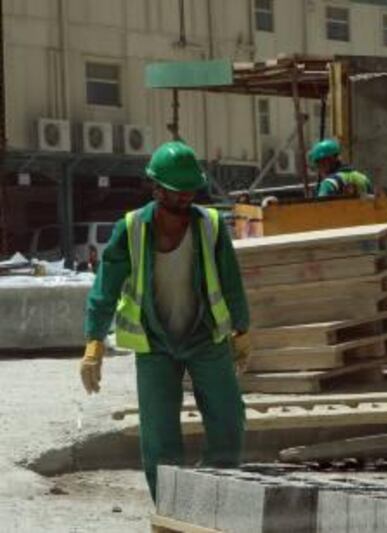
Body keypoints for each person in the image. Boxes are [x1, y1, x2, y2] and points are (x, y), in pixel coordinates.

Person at [80, 140, 251, 501]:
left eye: (190, 191)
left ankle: (217, 498)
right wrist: (94, 341)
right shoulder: (131, 229)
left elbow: (231, 282)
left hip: (206, 338)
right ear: (156, 188)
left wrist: (242, 329)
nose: (185, 199)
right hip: (155, 343)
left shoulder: (211, 226)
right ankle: (170, 508)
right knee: (159, 436)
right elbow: (105, 287)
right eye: (176, 192)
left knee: (228, 422)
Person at [308, 138, 373, 198]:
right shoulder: (363, 178)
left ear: (326, 162)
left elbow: (319, 208)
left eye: (319, 164)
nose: (319, 169)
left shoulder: (329, 183)